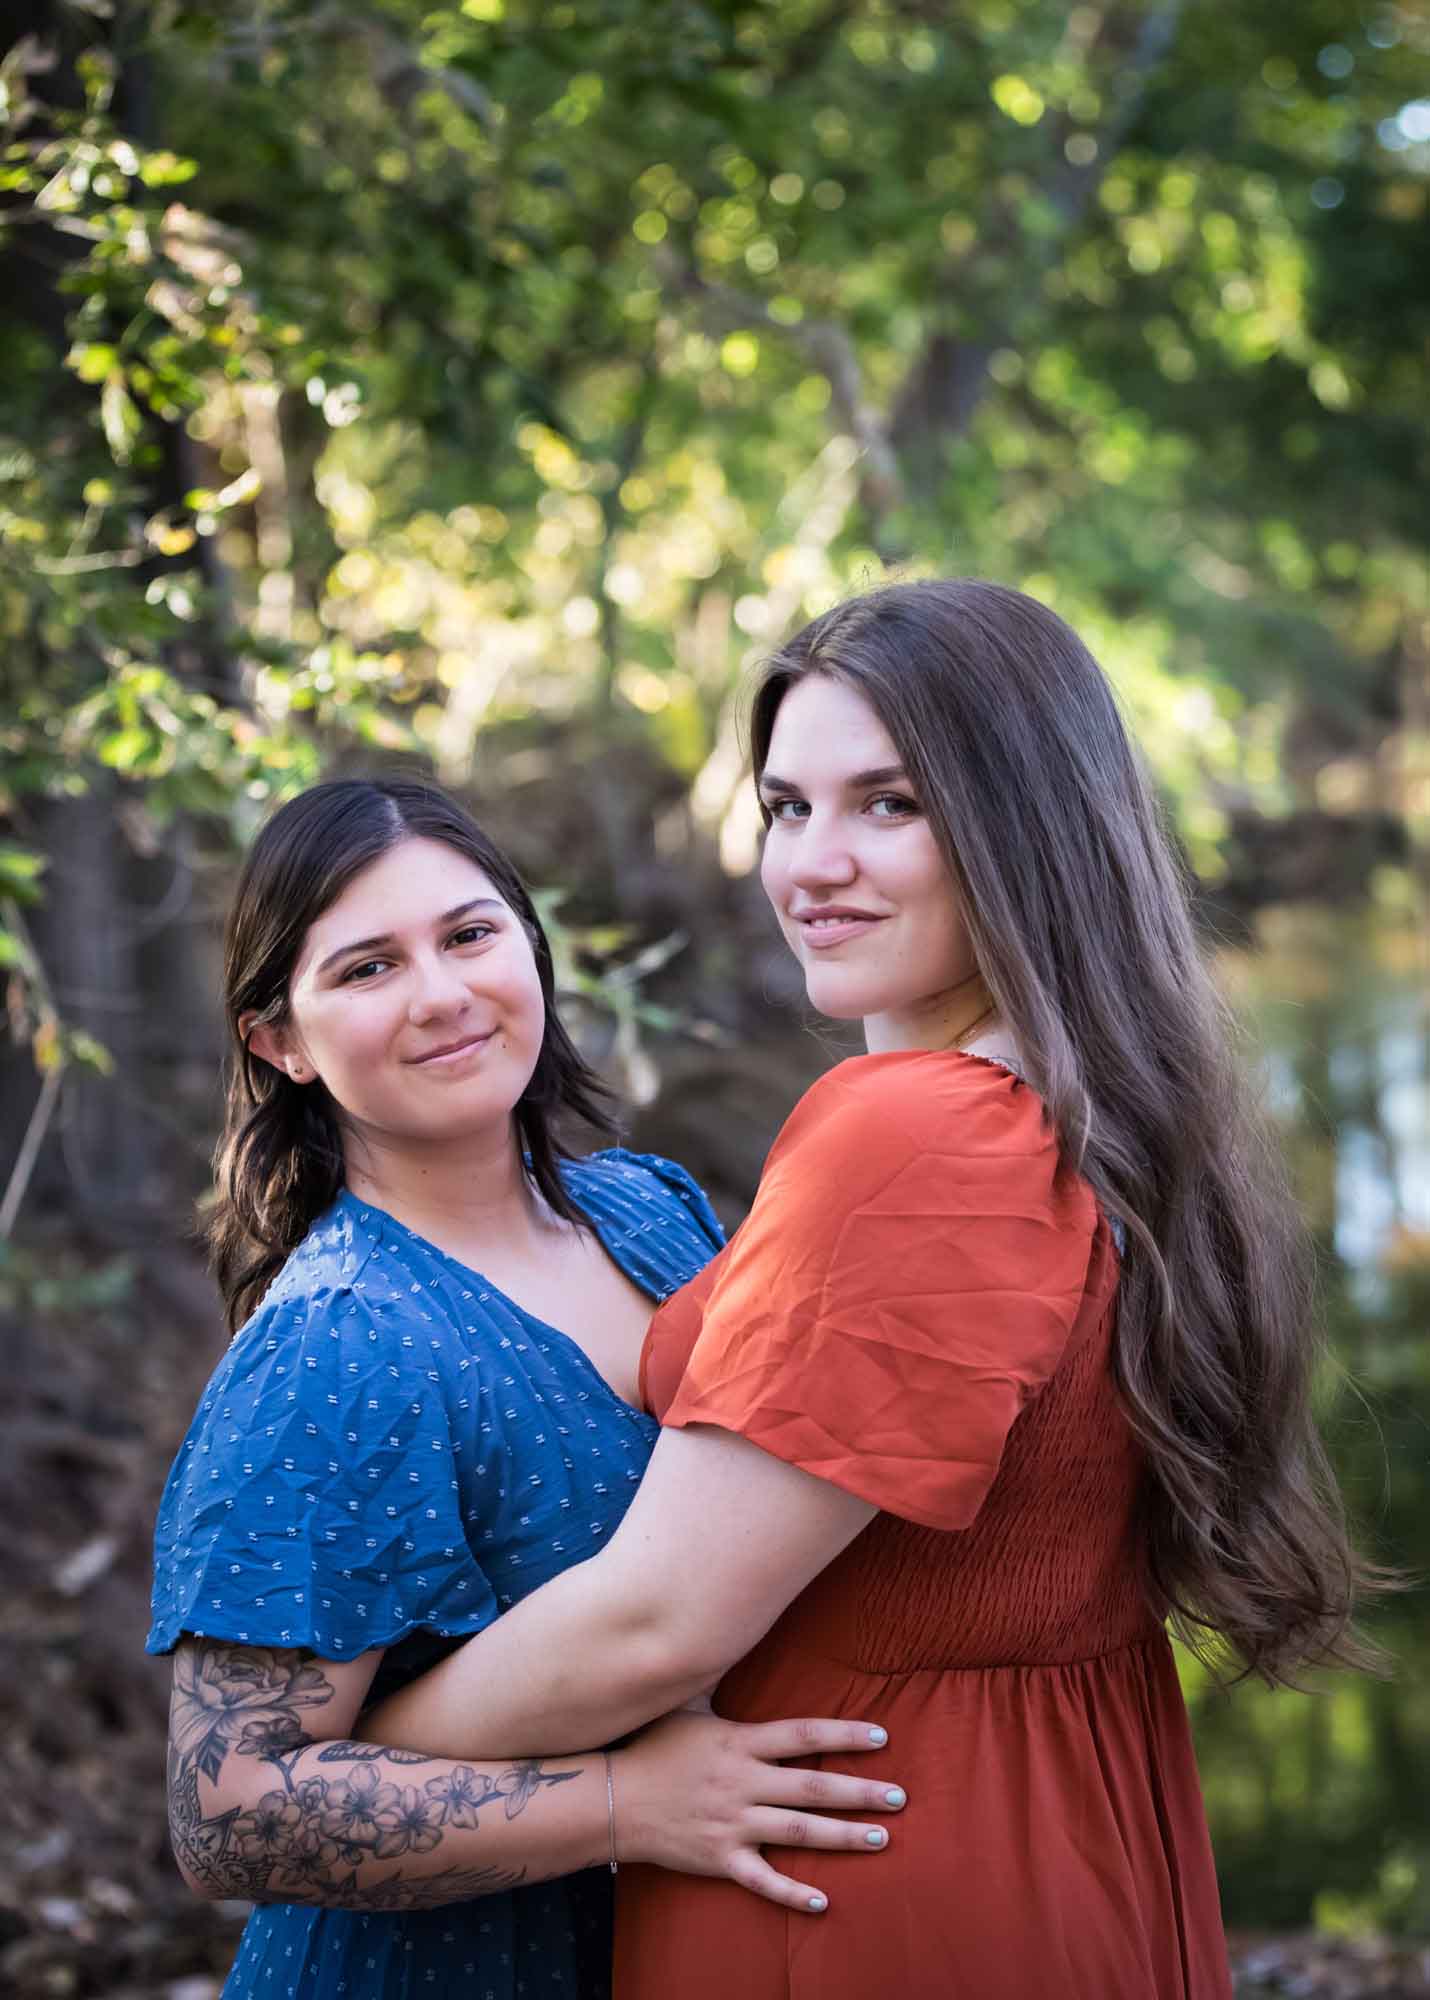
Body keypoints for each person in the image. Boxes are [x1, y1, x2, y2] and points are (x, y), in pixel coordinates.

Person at [360, 580, 1378, 2000]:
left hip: (862, 1874)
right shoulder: (1105, 1109)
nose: (811, 865)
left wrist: (343, 1759)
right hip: (1053, 1826)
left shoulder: (919, 1139)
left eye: (886, 804)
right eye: (785, 808)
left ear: (1027, 825)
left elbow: (660, 1620)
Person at [147, 778, 906, 2000]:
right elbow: (228, 1808)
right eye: (365, 969)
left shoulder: (647, 1210)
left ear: (528, 945)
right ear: (277, 1040)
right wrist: (618, 1804)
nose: (442, 994)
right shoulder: (335, 1348)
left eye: (468, 933)